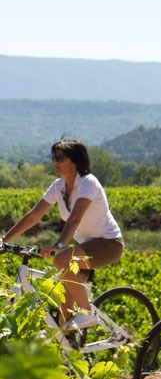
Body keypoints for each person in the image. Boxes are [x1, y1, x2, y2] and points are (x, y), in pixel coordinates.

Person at [2, 138, 124, 329]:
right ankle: (71, 350)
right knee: (63, 318)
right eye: (53, 157)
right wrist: (4, 239)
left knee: (60, 260)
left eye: (60, 157)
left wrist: (58, 247)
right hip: (85, 247)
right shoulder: (58, 187)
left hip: (108, 244)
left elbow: (74, 219)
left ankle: (88, 313)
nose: (55, 162)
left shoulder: (88, 183)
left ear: (75, 161)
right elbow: (34, 216)